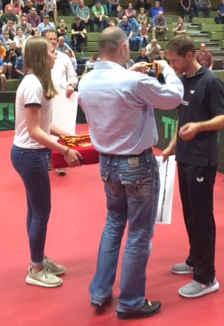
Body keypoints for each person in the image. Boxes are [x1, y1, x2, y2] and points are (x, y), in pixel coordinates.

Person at [77, 27, 183, 319]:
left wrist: (132, 75)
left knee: (113, 224)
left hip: (107, 164)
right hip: (137, 164)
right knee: (138, 233)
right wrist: (166, 70)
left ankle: (100, 291)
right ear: (123, 47)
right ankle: (131, 301)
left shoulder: (86, 81)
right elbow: (174, 97)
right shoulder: (133, 81)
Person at [10, 36, 82, 288]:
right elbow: (34, 131)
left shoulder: (38, 82)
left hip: (31, 153)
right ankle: (36, 269)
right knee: (41, 212)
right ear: (41, 56)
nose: (55, 55)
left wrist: (68, 136)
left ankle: (38, 258)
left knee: (35, 210)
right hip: (30, 155)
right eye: (52, 52)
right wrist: (64, 150)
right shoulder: (33, 86)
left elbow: (45, 124)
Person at [162, 34, 224, 298]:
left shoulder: (210, 82)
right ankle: (194, 259)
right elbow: (183, 120)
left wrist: (199, 127)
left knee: (202, 218)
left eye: (174, 61)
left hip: (203, 159)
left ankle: (206, 277)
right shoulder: (183, 81)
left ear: (189, 56)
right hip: (185, 157)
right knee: (190, 214)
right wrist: (172, 145)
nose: (172, 65)